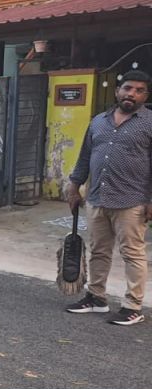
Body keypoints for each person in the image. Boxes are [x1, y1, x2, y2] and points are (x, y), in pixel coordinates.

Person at [64, 70, 152, 326]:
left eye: (138, 90)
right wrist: (74, 185)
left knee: (132, 254)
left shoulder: (149, 123)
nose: (131, 94)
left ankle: (133, 306)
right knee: (99, 251)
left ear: (145, 95)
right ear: (117, 91)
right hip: (97, 198)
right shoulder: (98, 122)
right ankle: (96, 298)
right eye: (127, 88)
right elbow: (84, 157)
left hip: (131, 200)